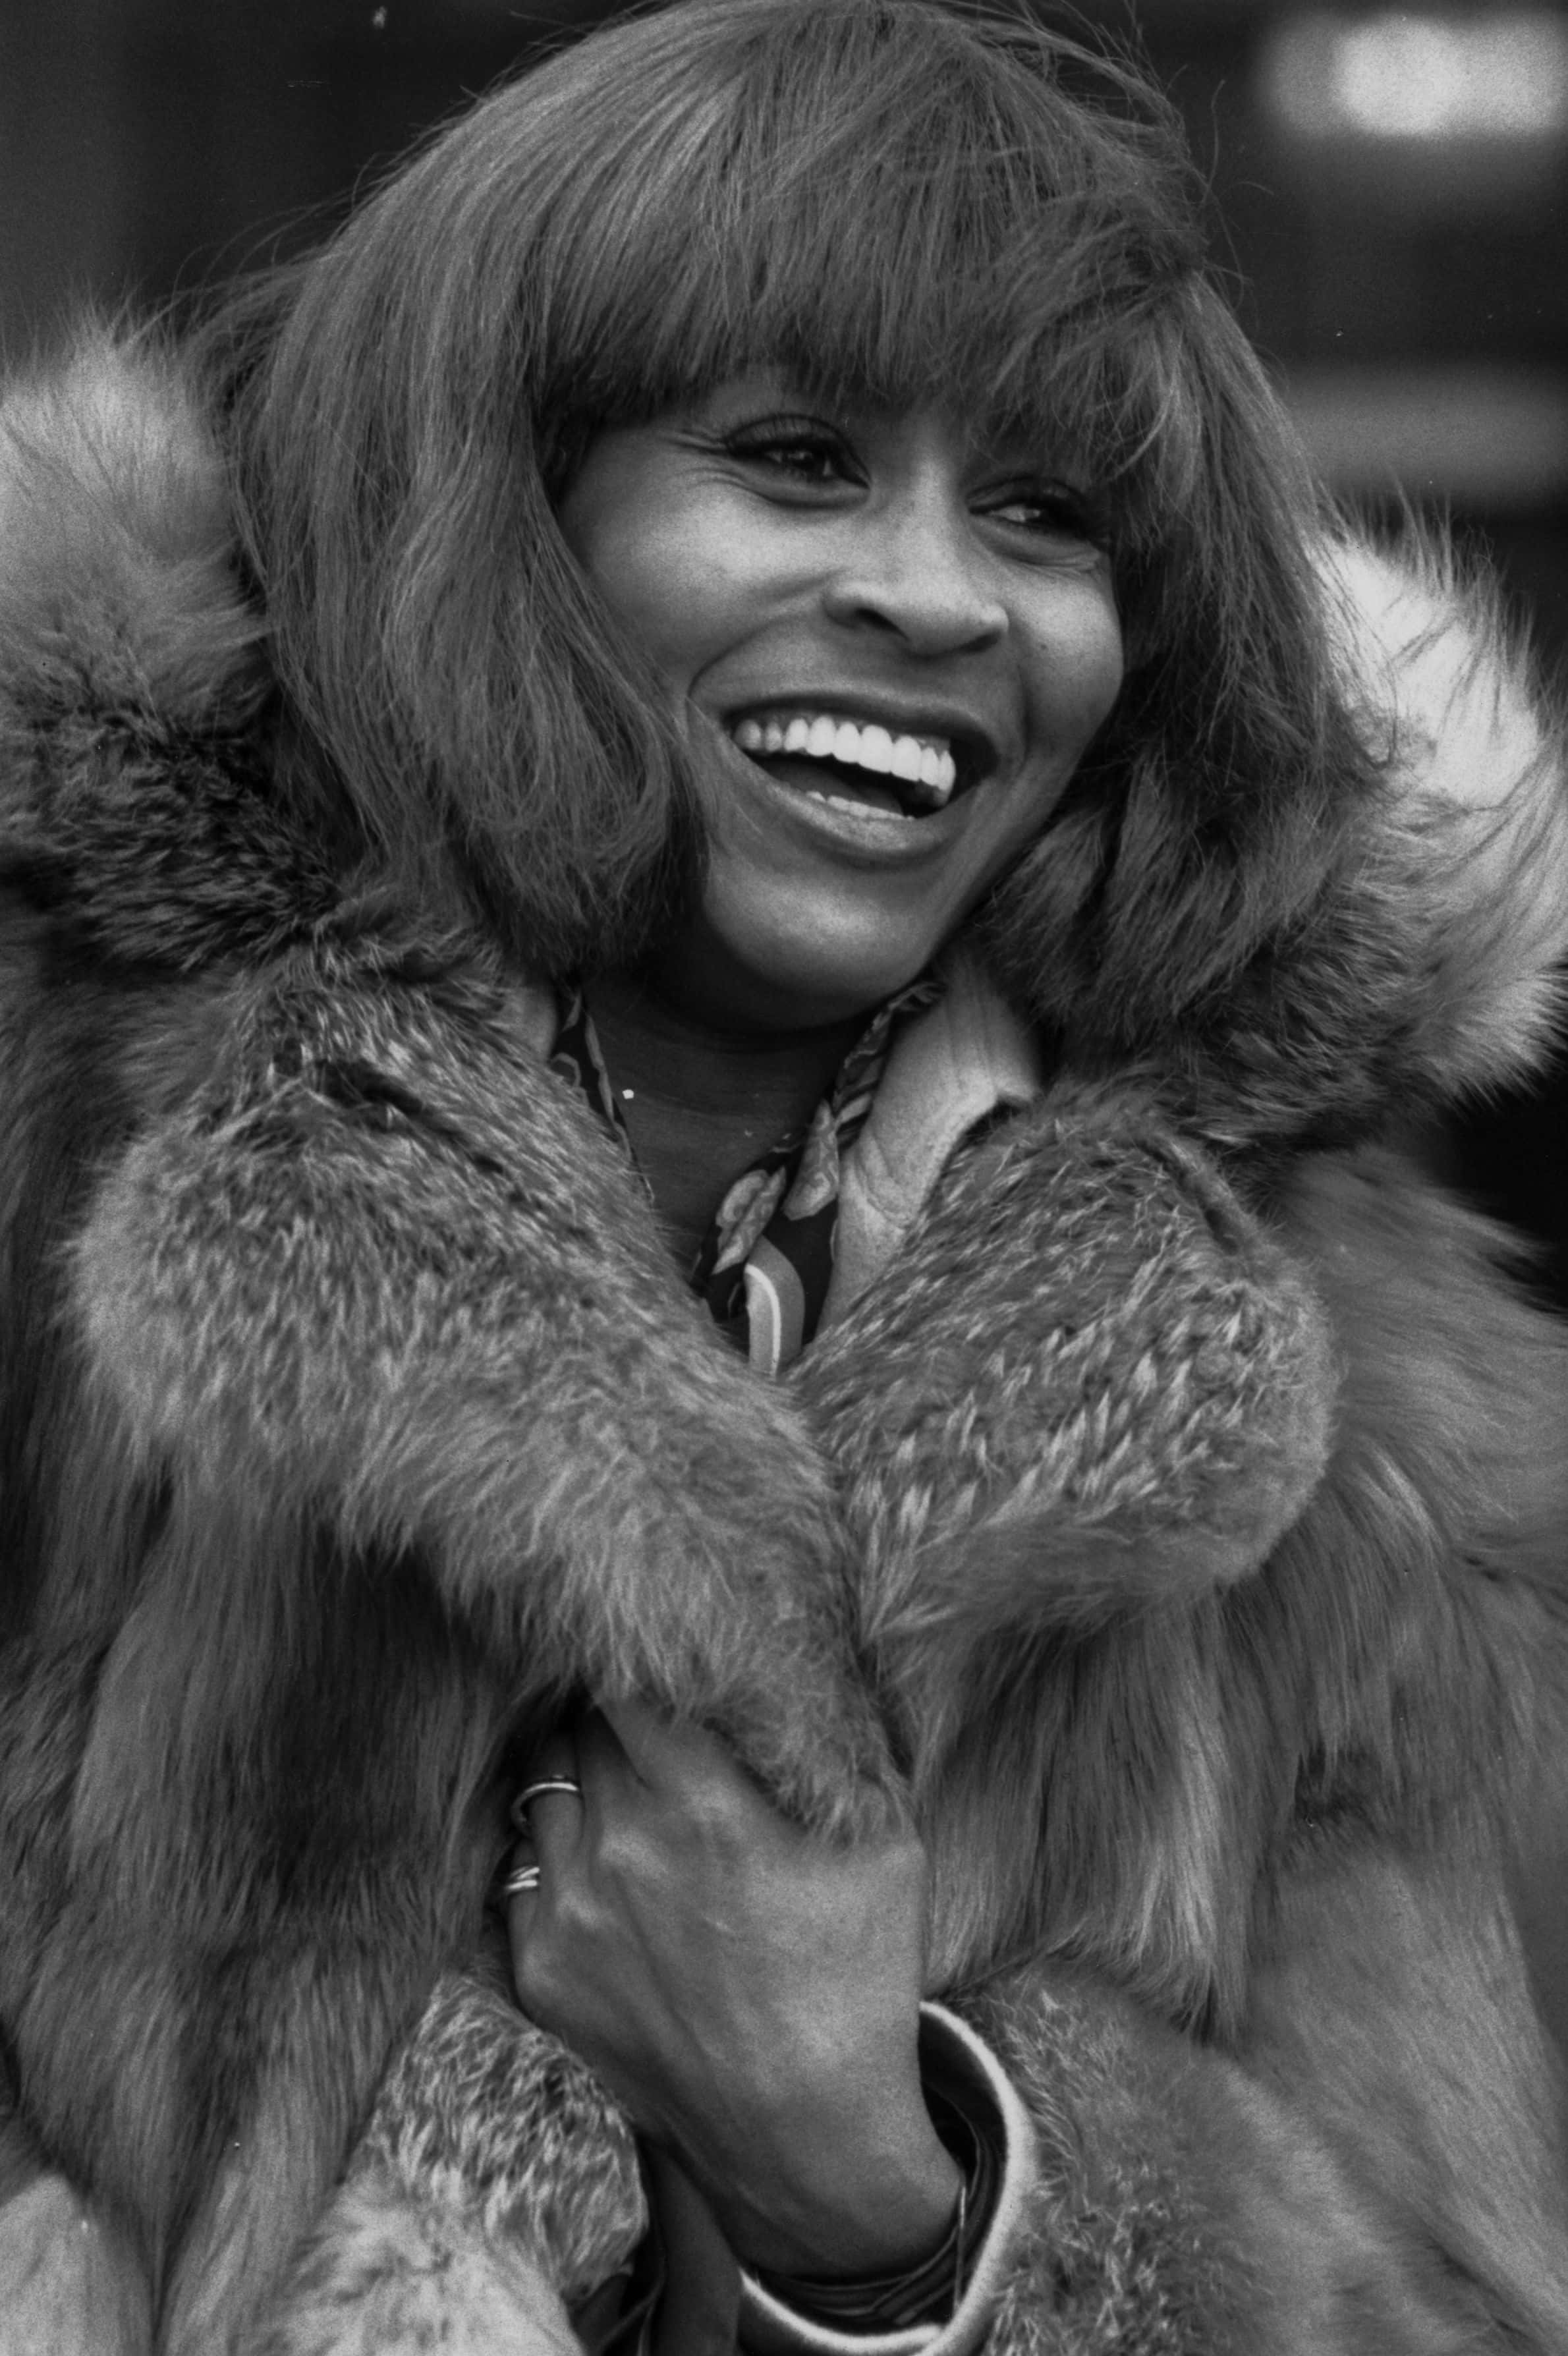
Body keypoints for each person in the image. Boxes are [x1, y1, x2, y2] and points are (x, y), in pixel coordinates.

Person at [1, 0, 1567, 2349]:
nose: (938, 595)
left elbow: (1456, 2299)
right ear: (501, 511)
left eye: (1047, 514)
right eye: (794, 459)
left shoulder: (1344, 1377)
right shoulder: (59, 1104)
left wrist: (887, 2184)